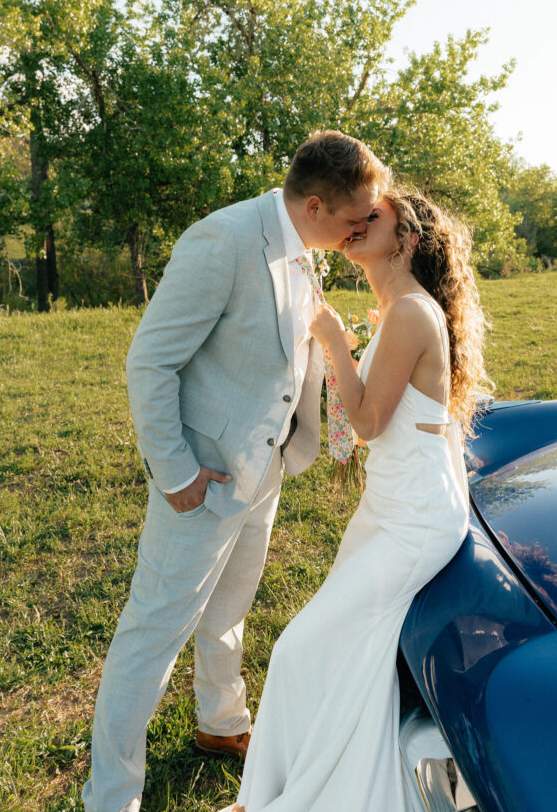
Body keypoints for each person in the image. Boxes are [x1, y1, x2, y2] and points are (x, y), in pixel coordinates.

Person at [82, 131, 389, 812]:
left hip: (264, 467)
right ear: (313, 205)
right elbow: (150, 362)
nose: (362, 229)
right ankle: (111, 796)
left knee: (229, 610)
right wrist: (176, 472)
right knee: (152, 633)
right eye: (354, 219)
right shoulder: (222, 241)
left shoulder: (303, 245)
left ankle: (220, 723)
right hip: (203, 479)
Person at [223, 188, 491, 812]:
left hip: (413, 520)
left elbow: (368, 423)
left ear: (408, 240)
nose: (356, 223)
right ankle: (288, 787)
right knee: (351, 651)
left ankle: (275, 796)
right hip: (391, 508)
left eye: (375, 218)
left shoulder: (409, 313)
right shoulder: (396, 307)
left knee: (297, 647)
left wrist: (334, 343)